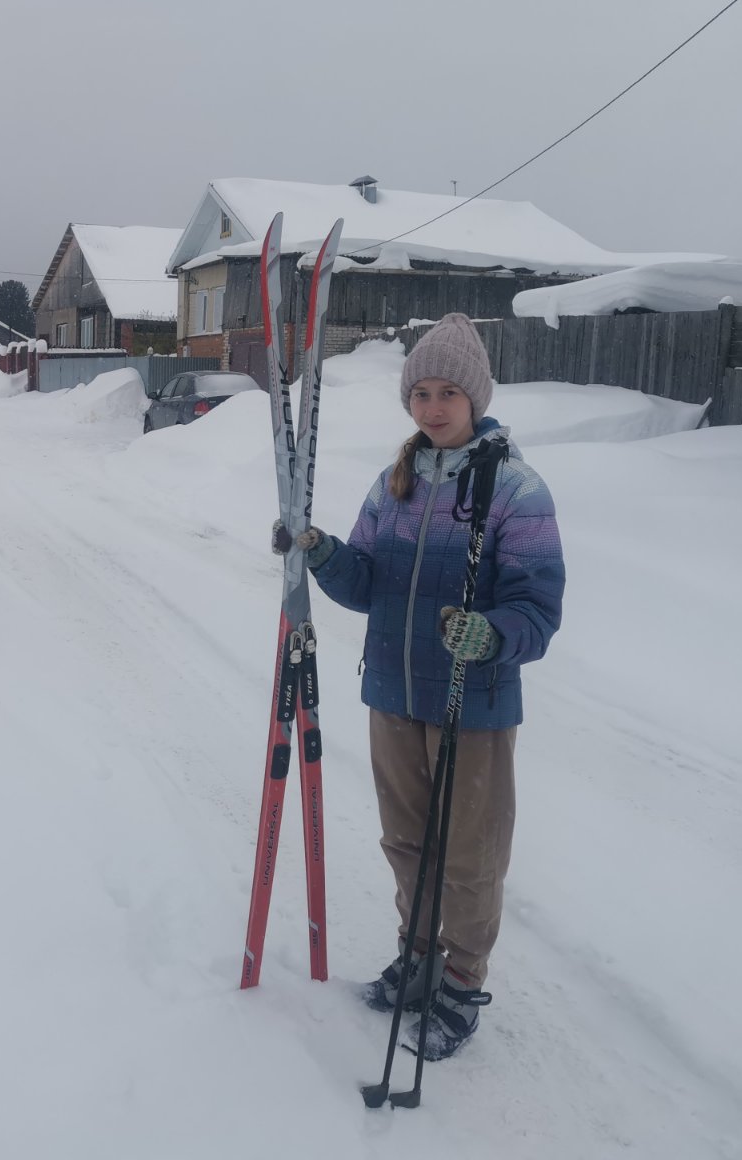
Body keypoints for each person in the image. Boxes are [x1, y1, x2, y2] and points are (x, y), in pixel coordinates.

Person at [288, 312, 566, 1060]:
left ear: (476, 398)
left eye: (449, 393)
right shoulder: (396, 481)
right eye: (422, 394)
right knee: (407, 841)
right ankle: (417, 959)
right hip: (393, 693)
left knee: (469, 854)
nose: (434, 407)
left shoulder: (514, 488)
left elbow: (539, 609)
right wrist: (321, 553)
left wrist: (494, 635)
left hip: (470, 704)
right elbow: (370, 583)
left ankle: (462, 981)